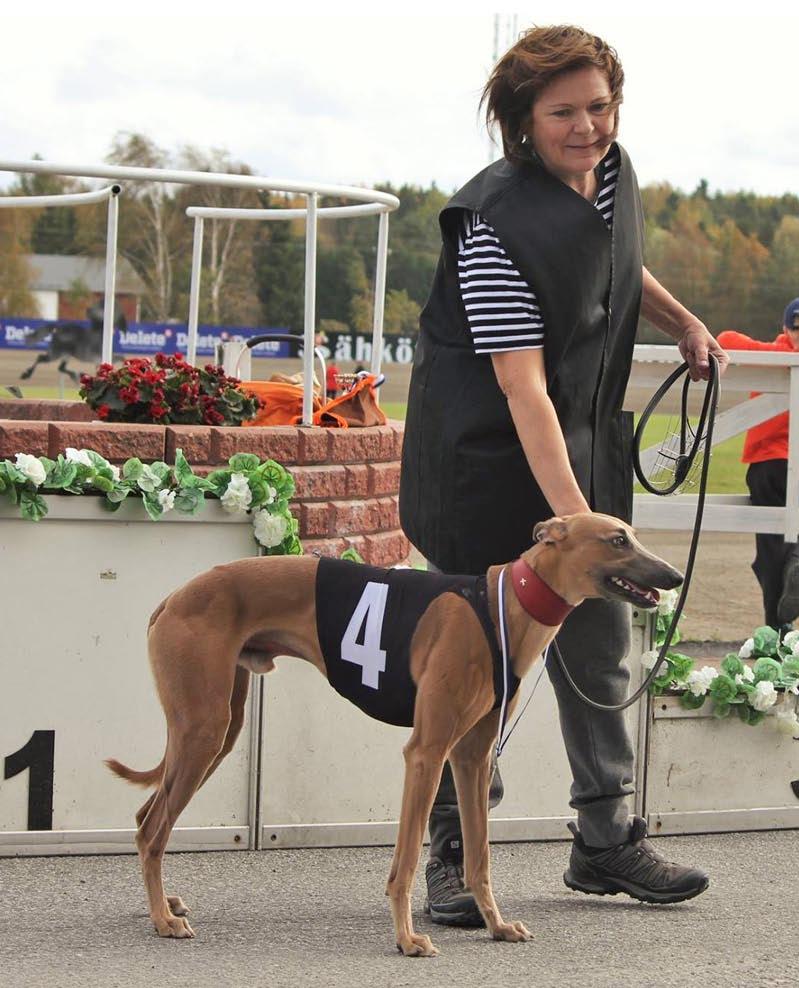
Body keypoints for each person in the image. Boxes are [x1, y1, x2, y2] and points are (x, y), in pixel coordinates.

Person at [399, 24, 729, 926]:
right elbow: (522, 388)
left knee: (599, 642)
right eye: (563, 113)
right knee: (474, 664)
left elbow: (615, 260)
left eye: (599, 106)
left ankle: (605, 841)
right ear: (520, 120)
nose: (587, 126)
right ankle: (452, 855)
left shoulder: (610, 175)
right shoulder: (489, 224)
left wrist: (683, 320)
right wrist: (579, 522)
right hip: (481, 462)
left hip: (580, 451)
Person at [718, 299, 799, 631]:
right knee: (788, 547)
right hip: (790, 465)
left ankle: (776, 634)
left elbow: (724, 338)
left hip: (766, 467)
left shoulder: (768, 354)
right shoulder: (776, 356)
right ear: (785, 329)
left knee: (770, 551)